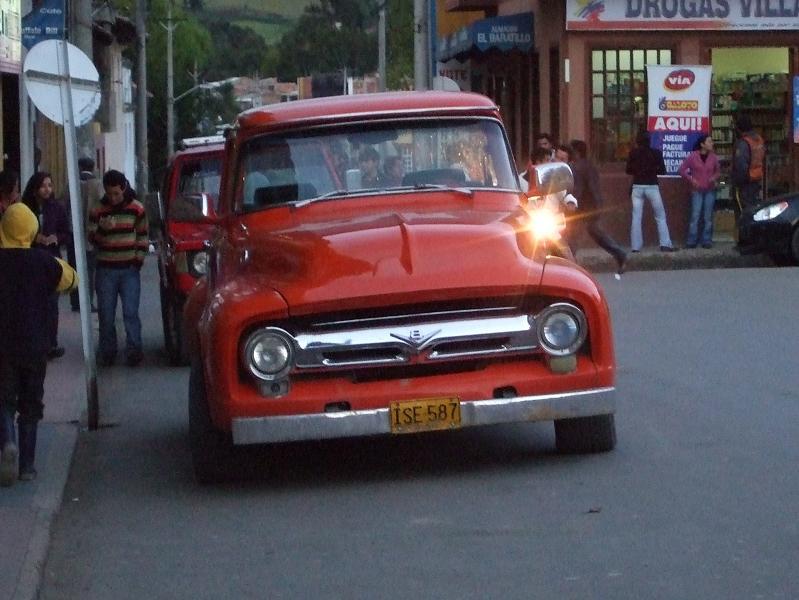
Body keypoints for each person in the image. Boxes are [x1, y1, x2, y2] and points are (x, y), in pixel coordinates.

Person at [0, 203, 78, 485]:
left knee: (4, 400)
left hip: (3, 347)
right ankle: (27, 466)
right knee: (31, 404)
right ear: (32, 229)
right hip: (35, 344)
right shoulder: (44, 262)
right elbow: (71, 280)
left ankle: (7, 441)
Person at [89, 170, 148, 367]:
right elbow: (91, 237)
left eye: (116, 193)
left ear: (123, 188)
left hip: (129, 269)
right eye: (109, 194)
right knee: (106, 313)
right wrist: (102, 229)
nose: (113, 198)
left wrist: (138, 259)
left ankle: (134, 350)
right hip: (106, 268)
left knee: (130, 312)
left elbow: (143, 236)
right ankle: (107, 351)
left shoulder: (137, 208)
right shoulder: (98, 210)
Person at [22, 172, 72, 359]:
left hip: (51, 259)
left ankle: (51, 343)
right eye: (43, 185)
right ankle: (34, 342)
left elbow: (66, 233)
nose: (47, 189)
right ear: (35, 188)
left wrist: (56, 238)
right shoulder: (25, 208)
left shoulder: (57, 208)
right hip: (30, 259)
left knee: (52, 304)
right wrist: (35, 238)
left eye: (50, 185)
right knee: (33, 304)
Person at [569, 140, 628, 274]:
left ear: (577, 152)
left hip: (583, 208)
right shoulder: (589, 165)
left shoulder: (578, 167)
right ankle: (620, 254)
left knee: (573, 235)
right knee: (595, 233)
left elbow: (579, 189)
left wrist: (572, 203)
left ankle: (568, 263)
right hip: (592, 205)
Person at [625, 131, 678, 252]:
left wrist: (639, 171)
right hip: (652, 186)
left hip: (637, 186)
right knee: (660, 216)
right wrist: (652, 169)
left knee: (636, 217)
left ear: (637, 141)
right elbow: (662, 171)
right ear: (650, 141)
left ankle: (635, 247)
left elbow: (628, 170)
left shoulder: (633, 153)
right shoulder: (656, 153)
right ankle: (665, 244)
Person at [65, 157, 104, 312]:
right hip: (91, 234)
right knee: (89, 270)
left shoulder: (72, 184)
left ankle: (75, 301)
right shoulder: (98, 184)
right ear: (93, 167)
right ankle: (87, 302)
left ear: (80, 167)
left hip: (72, 233)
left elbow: (63, 203)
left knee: (74, 267)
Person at [678, 134, 721, 249]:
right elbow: (682, 170)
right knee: (695, 216)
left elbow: (718, 171)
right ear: (702, 144)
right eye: (709, 142)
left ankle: (706, 240)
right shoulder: (693, 156)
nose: (712, 144)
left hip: (710, 189)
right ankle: (691, 240)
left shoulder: (713, 157)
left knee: (708, 217)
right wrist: (691, 180)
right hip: (696, 190)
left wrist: (714, 178)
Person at [731, 114, 765, 214]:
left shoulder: (743, 143)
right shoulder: (758, 139)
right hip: (757, 177)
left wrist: (737, 181)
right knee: (754, 207)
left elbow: (741, 164)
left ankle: (746, 229)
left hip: (745, 181)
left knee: (744, 210)